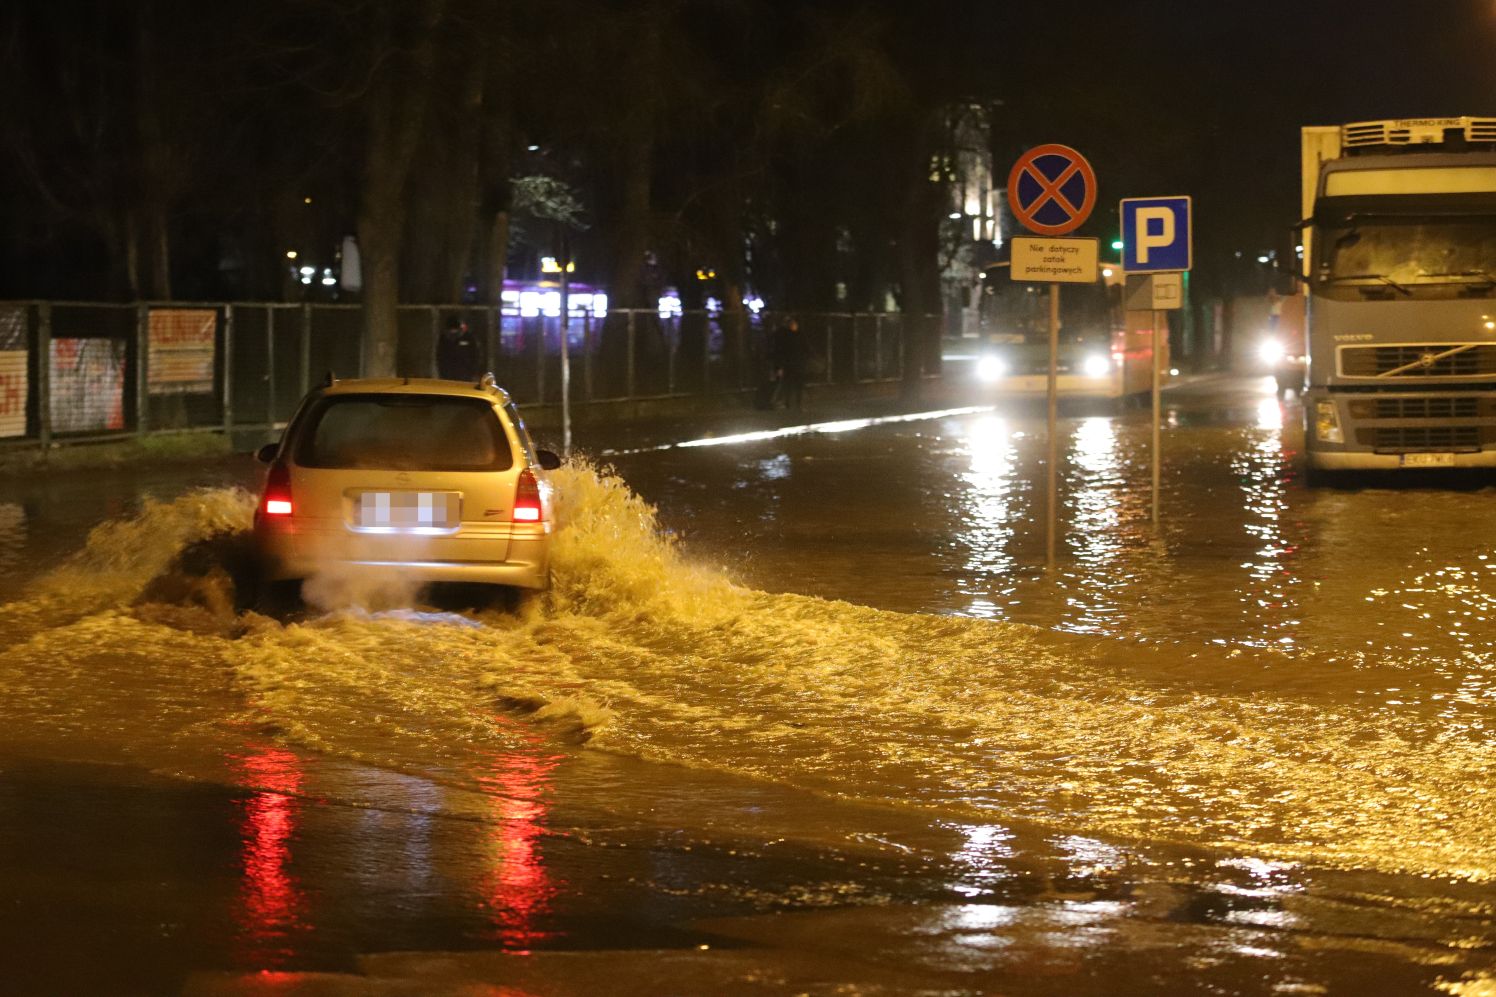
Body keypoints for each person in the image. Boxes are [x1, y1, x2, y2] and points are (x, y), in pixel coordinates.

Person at [769, 317, 806, 412]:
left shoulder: (798, 336)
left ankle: (794, 404)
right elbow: (781, 352)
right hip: (790, 364)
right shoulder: (786, 337)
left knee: (795, 385)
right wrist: (780, 366)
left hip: (796, 364)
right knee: (788, 385)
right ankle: (787, 403)